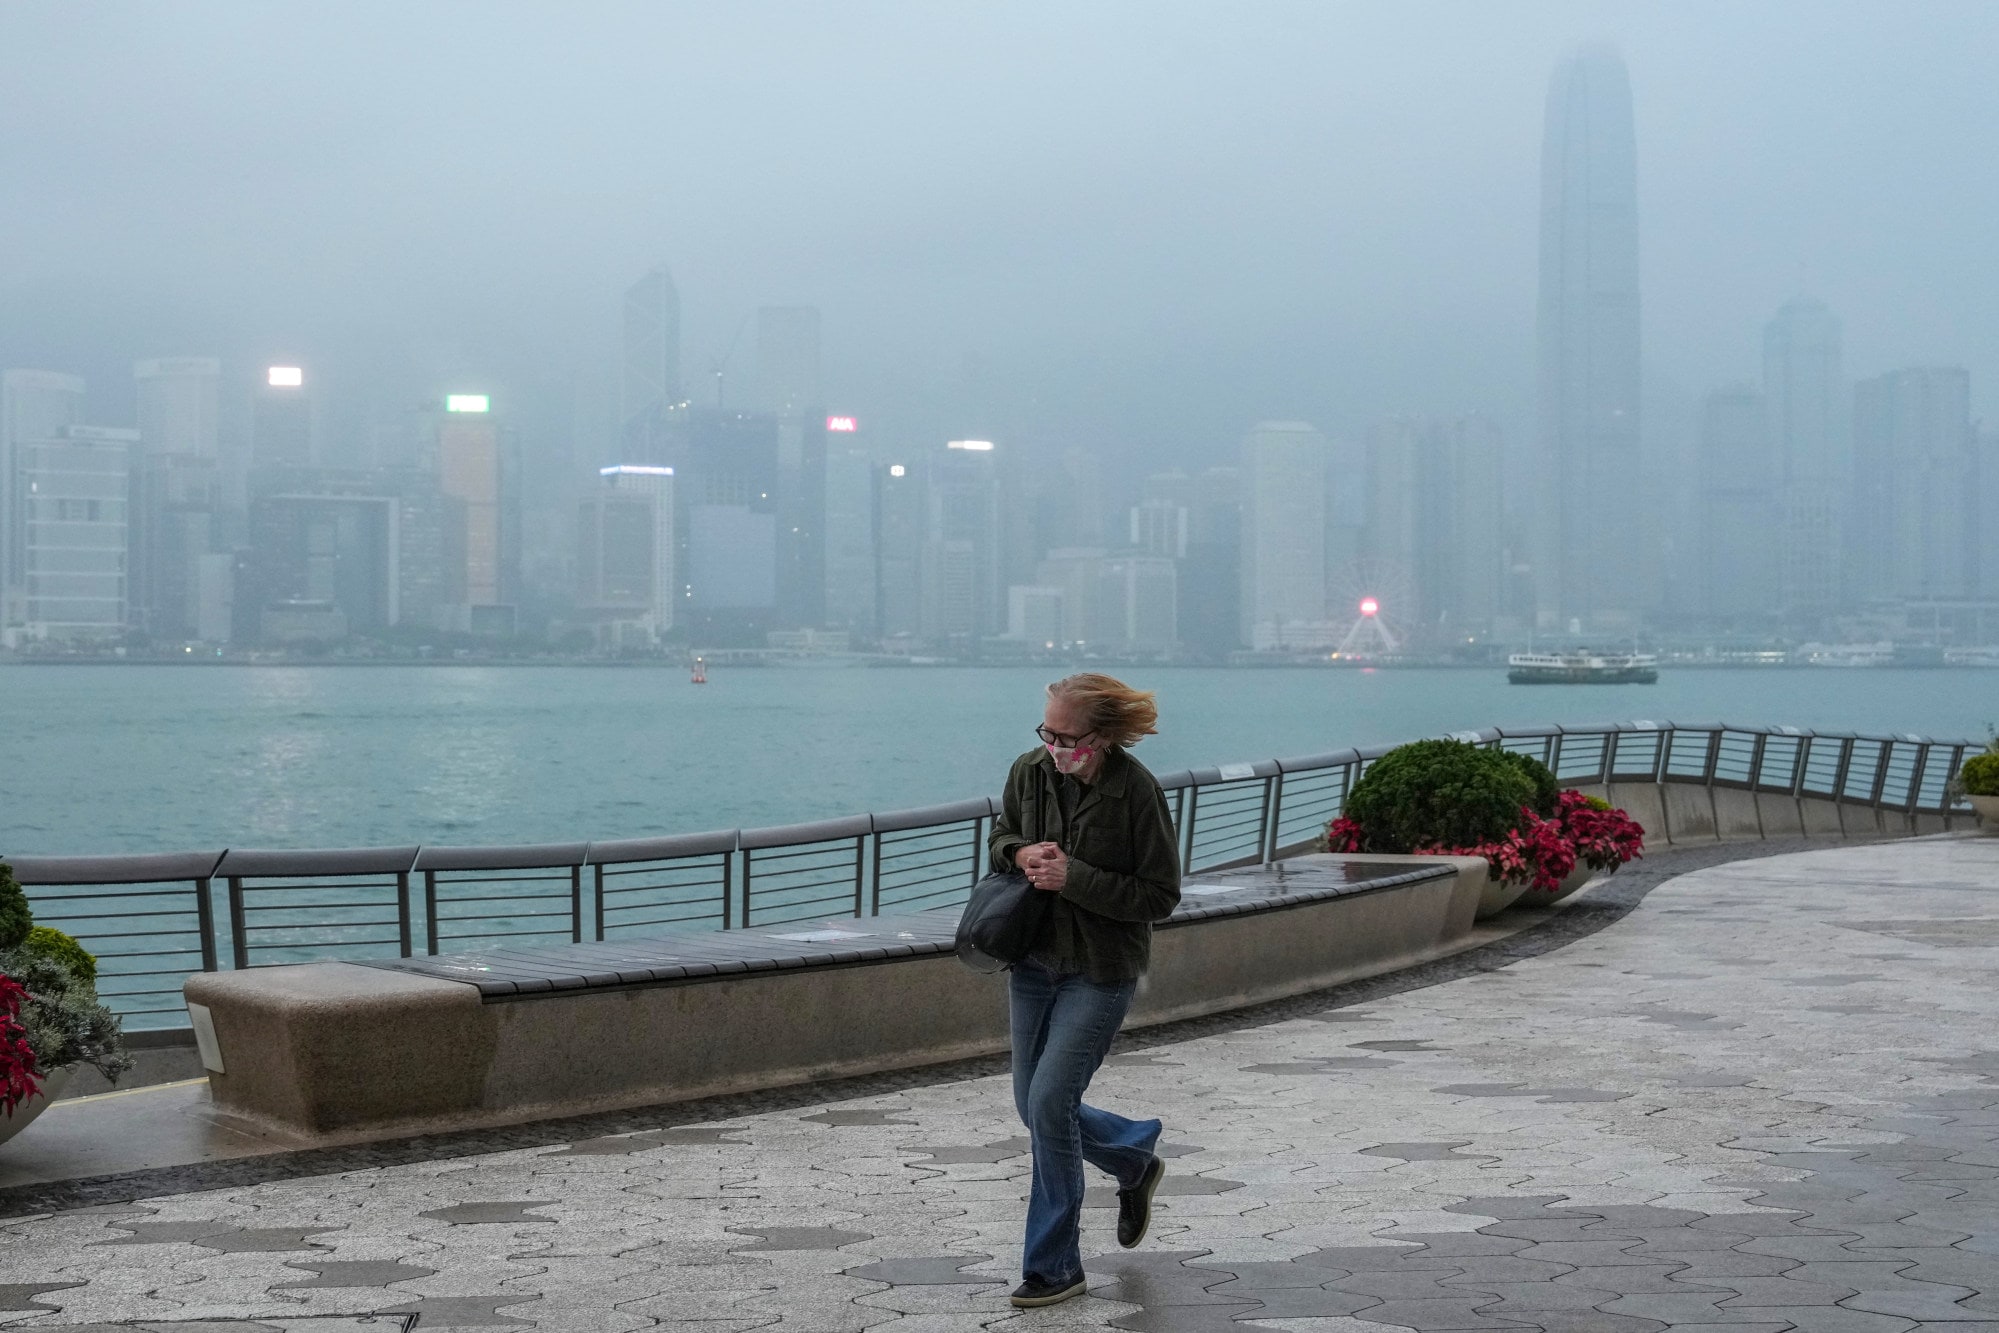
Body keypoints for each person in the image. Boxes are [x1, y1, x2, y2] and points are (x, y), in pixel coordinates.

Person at [988, 672, 1182, 1308]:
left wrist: (1075, 877)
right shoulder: (1029, 772)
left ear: (1102, 737)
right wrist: (1019, 855)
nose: (1053, 746)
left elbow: (1159, 896)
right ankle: (1131, 1156)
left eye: (1066, 736)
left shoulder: (1137, 794)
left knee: (1049, 1101)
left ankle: (1053, 1266)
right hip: (1032, 963)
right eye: (1046, 731)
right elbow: (1000, 840)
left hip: (1100, 970)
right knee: (1035, 1106)